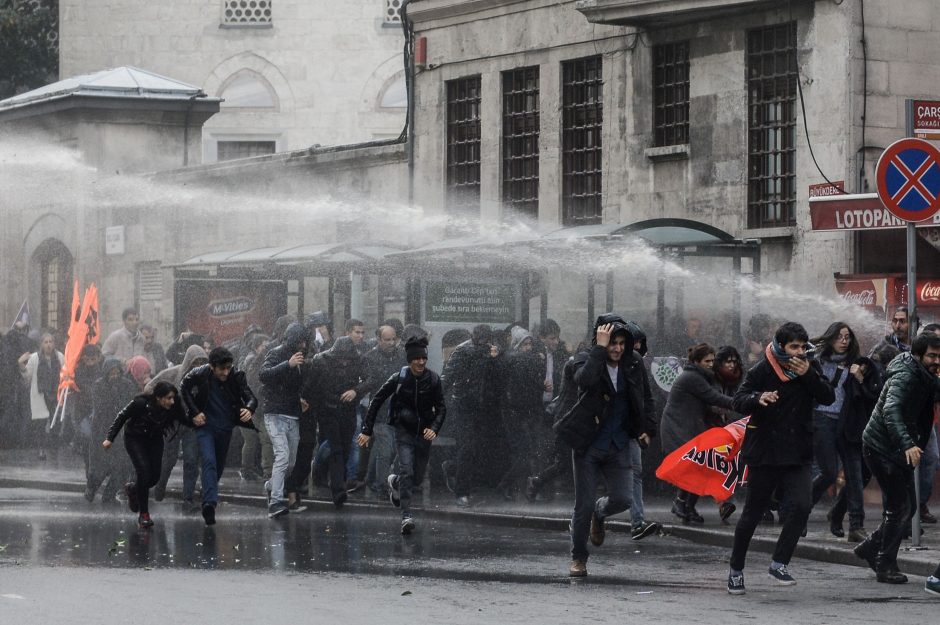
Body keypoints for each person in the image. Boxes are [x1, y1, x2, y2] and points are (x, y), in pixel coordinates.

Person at [727, 322, 835, 594]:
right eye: (793, 347)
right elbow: (738, 400)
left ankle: (779, 562)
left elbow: (828, 395)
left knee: (801, 505)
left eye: (802, 347)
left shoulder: (809, 366)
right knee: (752, 513)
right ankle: (736, 569)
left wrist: (809, 374)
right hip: (766, 451)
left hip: (797, 451)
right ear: (781, 346)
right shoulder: (763, 368)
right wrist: (758, 397)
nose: (799, 353)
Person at [568, 315, 652, 577]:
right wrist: (598, 350)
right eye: (611, 343)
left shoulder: (634, 363)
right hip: (589, 444)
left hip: (619, 443)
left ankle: (600, 512)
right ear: (600, 340)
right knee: (582, 505)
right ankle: (579, 557)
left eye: (621, 343)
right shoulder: (585, 359)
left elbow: (645, 398)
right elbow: (584, 381)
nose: (616, 349)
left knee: (623, 498)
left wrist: (646, 429)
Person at [853, 332, 940, 584]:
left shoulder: (922, 372)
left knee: (908, 507)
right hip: (882, 449)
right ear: (918, 355)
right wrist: (907, 444)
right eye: (932, 356)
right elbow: (892, 411)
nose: (937, 360)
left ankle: (870, 548)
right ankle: (885, 564)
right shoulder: (906, 376)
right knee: (899, 508)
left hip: (894, 450)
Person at [358, 336, 446, 534]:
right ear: (410, 360)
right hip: (403, 431)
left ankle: (395, 481)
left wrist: (435, 427)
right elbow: (377, 400)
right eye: (417, 359)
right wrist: (367, 429)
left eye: (424, 359)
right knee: (407, 469)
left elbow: (441, 407)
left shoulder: (433, 379)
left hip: (424, 433)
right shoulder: (398, 378)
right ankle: (406, 516)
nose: (421, 362)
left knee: (415, 478)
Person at [180, 347, 258, 525]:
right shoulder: (199, 373)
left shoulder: (236, 376)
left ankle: (207, 491)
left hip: (225, 428)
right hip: (205, 427)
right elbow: (184, 387)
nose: (225, 372)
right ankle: (209, 504)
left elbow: (251, 397)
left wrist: (249, 409)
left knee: (219, 466)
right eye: (221, 369)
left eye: (228, 368)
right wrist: (195, 412)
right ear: (211, 367)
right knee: (209, 461)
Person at [660, 343, 735, 524]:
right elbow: (713, 397)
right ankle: (681, 504)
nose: (710, 364)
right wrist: (740, 403)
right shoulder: (692, 377)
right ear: (696, 361)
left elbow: (711, 401)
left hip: (688, 427)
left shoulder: (701, 377)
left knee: (699, 466)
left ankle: (686, 506)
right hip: (677, 428)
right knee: (696, 466)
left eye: (712, 360)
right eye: (706, 361)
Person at [102, 381, 188, 528]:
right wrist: (110, 438)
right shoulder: (140, 403)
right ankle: (144, 515)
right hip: (135, 438)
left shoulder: (173, 406)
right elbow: (121, 417)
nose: (171, 401)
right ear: (158, 398)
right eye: (168, 398)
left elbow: (185, 419)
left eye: (173, 398)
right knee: (143, 472)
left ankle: (133, 489)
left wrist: (199, 419)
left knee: (154, 477)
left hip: (154, 440)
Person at [441, 324, 503, 507]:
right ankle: (462, 491)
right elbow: (448, 376)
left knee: (477, 446)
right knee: (467, 446)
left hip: (482, 405)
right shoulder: (463, 351)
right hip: (464, 404)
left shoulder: (488, 351)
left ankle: (453, 469)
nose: (484, 342)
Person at [300, 336, 365, 507]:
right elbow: (311, 386)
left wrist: (355, 391)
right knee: (336, 447)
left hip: (347, 409)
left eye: (346, 359)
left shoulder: (357, 360)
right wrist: (308, 402)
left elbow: (369, 380)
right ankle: (338, 489)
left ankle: (331, 479)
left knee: (344, 447)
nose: (344, 362)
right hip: (328, 410)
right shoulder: (321, 361)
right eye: (341, 359)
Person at [807, 323, 860, 528]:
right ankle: (803, 508)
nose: (844, 341)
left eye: (847, 337)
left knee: (854, 474)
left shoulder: (854, 363)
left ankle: (854, 522)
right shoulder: (818, 361)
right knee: (829, 472)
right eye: (839, 337)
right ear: (830, 339)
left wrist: (860, 377)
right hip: (822, 418)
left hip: (845, 421)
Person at [144, 344, 208, 511]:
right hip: (171, 424)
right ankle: (160, 485)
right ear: (188, 362)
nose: (198, 365)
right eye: (195, 362)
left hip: (192, 426)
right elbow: (150, 388)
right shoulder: (173, 373)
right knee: (168, 460)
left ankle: (188, 500)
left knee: (191, 461)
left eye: (202, 362)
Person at [826, 354, 881, 541]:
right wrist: (859, 378)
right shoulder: (855, 371)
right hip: (849, 434)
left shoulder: (876, 378)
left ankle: (836, 512)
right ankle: (856, 525)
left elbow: (875, 398)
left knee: (862, 477)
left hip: (867, 436)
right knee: (855, 478)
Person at [258, 323, 310, 518]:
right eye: (301, 341)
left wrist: (300, 399)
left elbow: (291, 386)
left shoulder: (300, 358)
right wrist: (287, 364)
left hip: (292, 413)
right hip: (275, 413)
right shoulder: (277, 353)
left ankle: (271, 485)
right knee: (282, 455)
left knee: (290, 462)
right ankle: (276, 501)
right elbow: (264, 375)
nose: (304, 345)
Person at [360, 324, 407, 499]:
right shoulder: (369, 358)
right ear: (378, 340)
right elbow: (368, 383)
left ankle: (371, 479)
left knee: (384, 449)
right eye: (387, 340)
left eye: (393, 339)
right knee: (386, 450)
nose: (391, 343)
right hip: (379, 411)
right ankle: (381, 487)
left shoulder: (402, 355)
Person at [86, 358, 137, 503]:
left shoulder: (126, 385)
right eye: (111, 374)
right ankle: (91, 488)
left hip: (121, 432)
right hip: (102, 431)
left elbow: (129, 405)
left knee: (123, 466)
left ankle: (109, 494)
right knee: (100, 466)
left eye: (117, 373)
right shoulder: (99, 385)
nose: (114, 377)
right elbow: (101, 407)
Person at [20, 331, 64, 459]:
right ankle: (41, 449)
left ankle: (54, 447)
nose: (49, 345)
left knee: (56, 422)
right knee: (40, 423)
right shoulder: (35, 358)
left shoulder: (59, 356)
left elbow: (65, 371)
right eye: (46, 342)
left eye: (51, 342)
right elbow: (27, 375)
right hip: (41, 393)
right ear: (41, 344)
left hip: (56, 393)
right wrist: (21, 365)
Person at [240, 333, 272, 481]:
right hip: (251, 407)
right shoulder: (251, 360)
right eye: (264, 346)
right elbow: (252, 379)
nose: (266, 348)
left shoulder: (256, 360)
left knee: (263, 439)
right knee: (253, 440)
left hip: (256, 406)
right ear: (257, 347)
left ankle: (264, 470)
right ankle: (249, 470)